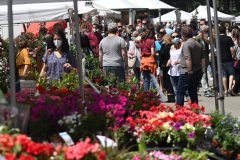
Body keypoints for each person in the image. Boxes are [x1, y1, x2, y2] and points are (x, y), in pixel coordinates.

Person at [176, 26, 204, 106]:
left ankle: (179, 111)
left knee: (180, 92)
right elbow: (202, 58)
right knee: (193, 91)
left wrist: (189, 70)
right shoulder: (198, 44)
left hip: (187, 71)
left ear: (183, 35)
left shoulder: (186, 44)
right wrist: (202, 70)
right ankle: (195, 110)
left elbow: (188, 58)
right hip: (197, 70)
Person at [219, 25, 236, 96]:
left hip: (221, 59)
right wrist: (233, 55)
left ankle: (225, 91)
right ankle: (229, 88)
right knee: (231, 74)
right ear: (225, 31)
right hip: (228, 59)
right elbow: (232, 49)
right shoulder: (228, 38)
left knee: (224, 75)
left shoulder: (217, 39)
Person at [166, 32, 182, 96]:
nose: (175, 38)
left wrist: (179, 61)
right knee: (175, 88)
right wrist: (169, 61)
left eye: (177, 36)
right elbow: (171, 57)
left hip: (181, 69)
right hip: (172, 70)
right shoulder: (171, 47)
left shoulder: (182, 45)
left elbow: (186, 57)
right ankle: (178, 102)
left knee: (181, 87)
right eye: (173, 37)